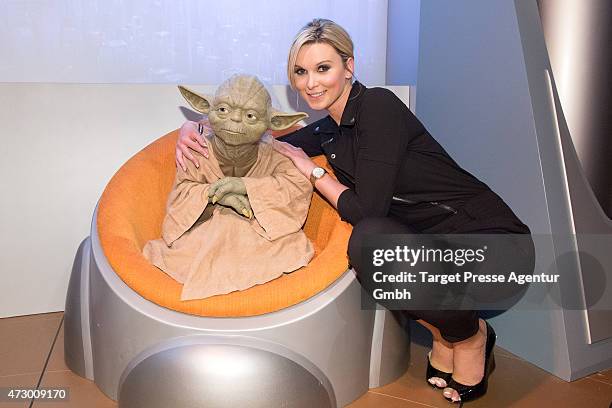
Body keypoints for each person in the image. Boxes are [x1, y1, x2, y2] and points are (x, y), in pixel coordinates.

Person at [174, 18, 535, 405]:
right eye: (301, 71)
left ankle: (469, 334)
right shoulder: (328, 129)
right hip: (435, 250)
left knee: (371, 237)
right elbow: (258, 139)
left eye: (323, 68)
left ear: (349, 67)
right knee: (373, 246)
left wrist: (312, 171)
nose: (310, 82)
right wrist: (195, 130)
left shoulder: (378, 105)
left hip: (493, 244)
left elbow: (367, 209)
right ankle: (448, 330)